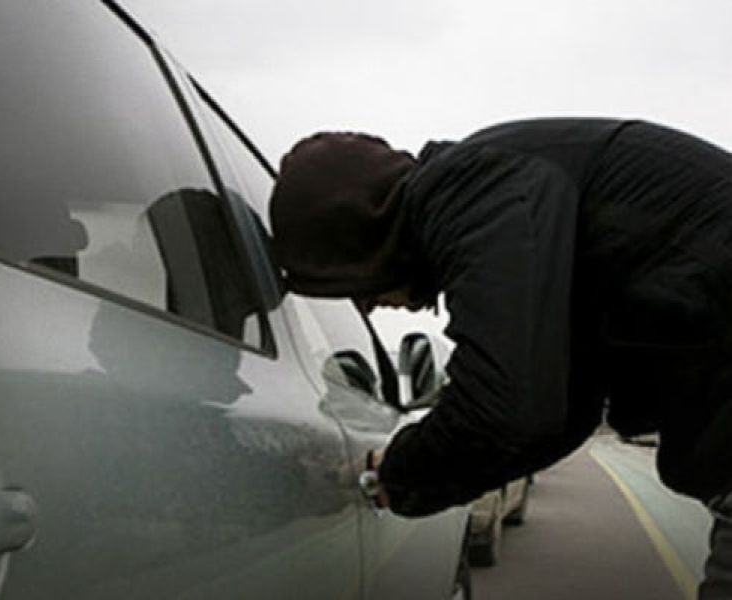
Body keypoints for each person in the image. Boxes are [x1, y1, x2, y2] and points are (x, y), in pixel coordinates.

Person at [268, 120, 732, 599]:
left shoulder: (468, 188)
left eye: (348, 283)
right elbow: (559, 414)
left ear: (362, 240)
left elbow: (506, 402)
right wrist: (399, 476)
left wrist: (390, 474)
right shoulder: (510, 204)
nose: (365, 306)